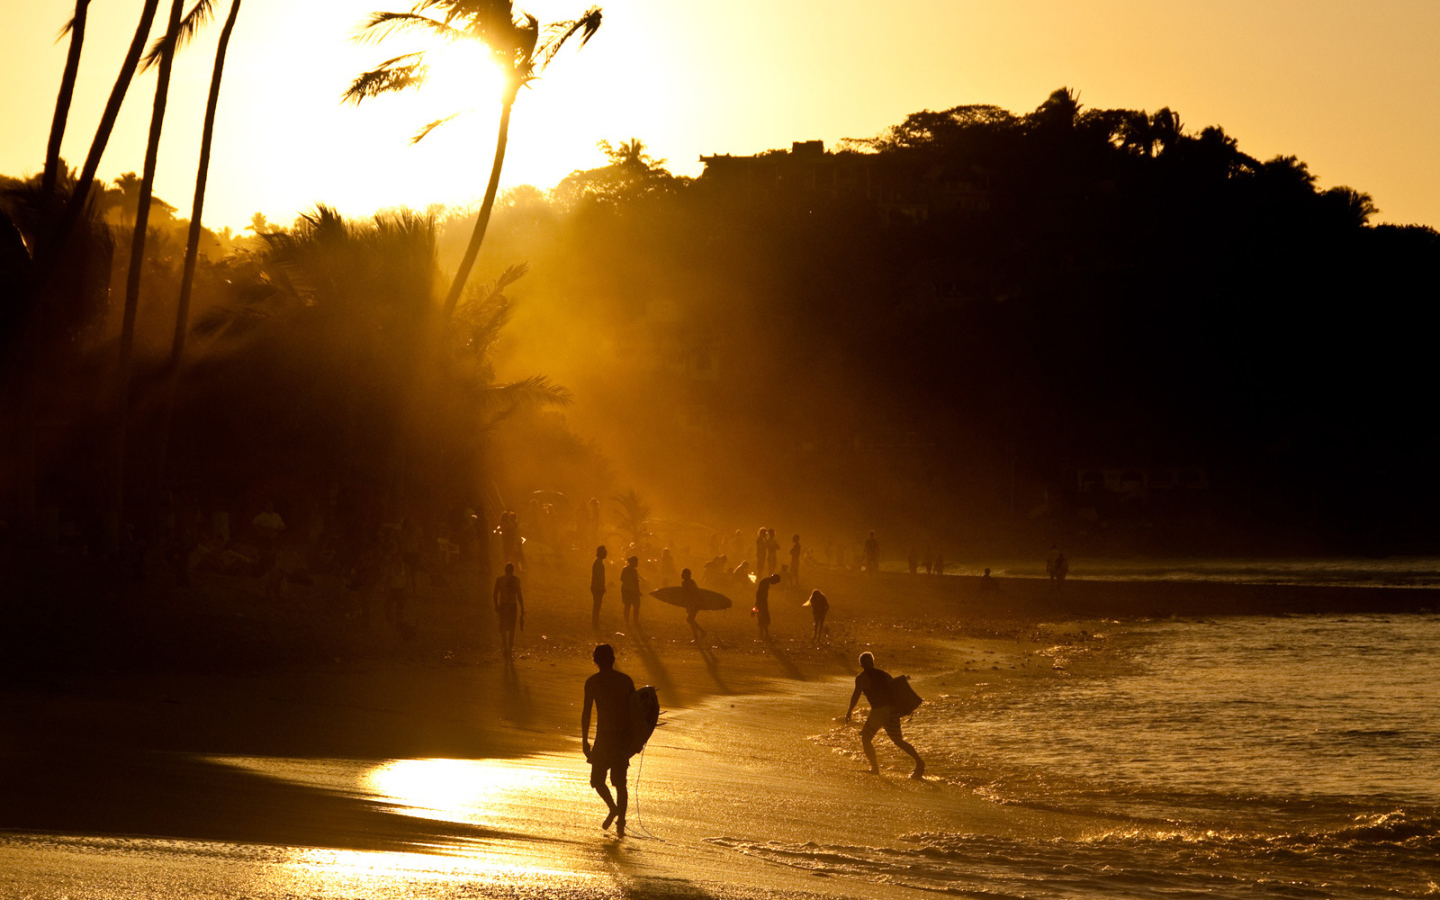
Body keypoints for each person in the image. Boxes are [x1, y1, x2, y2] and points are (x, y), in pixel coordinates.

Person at [581, 643, 636, 837]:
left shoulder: (593, 682)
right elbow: (636, 711)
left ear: (595, 660)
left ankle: (615, 811)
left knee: (598, 780)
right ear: (612, 659)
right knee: (620, 783)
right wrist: (636, 740)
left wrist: (584, 740)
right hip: (621, 739)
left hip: (604, 739)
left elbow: (586, 713)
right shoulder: (625, 680)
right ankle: (619, 819)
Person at [845, 651, 924, 779]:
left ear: (861, 664)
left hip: (879, 712)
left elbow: (856, 695)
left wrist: (849, 711)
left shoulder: (861, 678)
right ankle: (919, 762)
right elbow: (896, 691)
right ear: (872, 662)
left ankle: (875, 768)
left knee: (866, 738)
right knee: (898, 740)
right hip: (892, 711)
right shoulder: (884, 674)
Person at [493, 562, 525, 661]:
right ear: (513, 570)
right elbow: (519, 595)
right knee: (511, 629)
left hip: (503, 606)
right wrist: (522, 607)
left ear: (505, 570)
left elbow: (494, 595)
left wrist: (496, 606)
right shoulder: (516, 580)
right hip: (512, 606)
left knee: (502, 628)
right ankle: (509, 650)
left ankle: (505, 647)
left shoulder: (499, 580)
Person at [680, 567, 707, 642]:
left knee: (690, 620)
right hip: (693, 603)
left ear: (686, 575)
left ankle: (700, 634)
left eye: (683, 574)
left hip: (695, 603)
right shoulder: (689, 582)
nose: (681, 575)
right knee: (690, 620)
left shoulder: (688, 583)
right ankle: (700, 634)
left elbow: (692, 593)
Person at [753, 572, 781, 640]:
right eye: (775, 582)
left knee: (761, 618)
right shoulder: (765, 582)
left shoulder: (765, 581)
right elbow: (761, 593)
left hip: (762, 601)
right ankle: (765, 635)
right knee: (765, 618)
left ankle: (762, 635)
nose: (774, 584)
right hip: (762, 602)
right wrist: (758, 603)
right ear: (774, 579)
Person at [620, 555, 642, 626]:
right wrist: (638, 591)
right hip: (633, 591)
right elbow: (636, 582)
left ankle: (626, 621)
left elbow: (621, 579)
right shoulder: (634, 571)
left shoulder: (625, 569)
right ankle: (635, 621)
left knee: (627, 606)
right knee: (636, 606)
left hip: (625, 589)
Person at [591, 545, 608, 629]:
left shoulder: (598, 562)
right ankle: (595, 624)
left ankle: (595, 623)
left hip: (597, 587)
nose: (606, 553)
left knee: (597, 606)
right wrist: (602, 586)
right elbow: (598, 577)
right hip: (597, 587)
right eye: (604, 552)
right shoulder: (598, 563)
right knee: (597, 606)